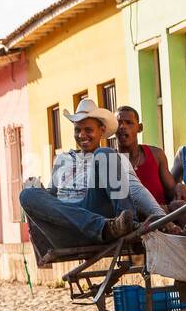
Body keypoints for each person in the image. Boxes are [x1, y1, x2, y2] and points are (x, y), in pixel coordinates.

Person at [19, 98, 167, 257]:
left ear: (102, 131)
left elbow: (137, 191)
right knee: (27, 194)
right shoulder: (62, 160)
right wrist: (38, 189)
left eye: (88, 130)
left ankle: (126, 226)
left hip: (102, 219)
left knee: (104, 155)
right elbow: (53, 197)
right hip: (68, 230)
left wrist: (164, 220)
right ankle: (103, 226)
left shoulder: (113, 158)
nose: (81, 135)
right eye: (77, 130)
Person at [115, 106, 177, 209]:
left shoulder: (157, 155)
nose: (122, 126)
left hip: (163, 217)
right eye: (118, 123)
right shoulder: (110, 160)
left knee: (179, 205)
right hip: (133, 221)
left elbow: (172, 192)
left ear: (140, 128)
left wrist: (179, 188)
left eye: (129, 122)